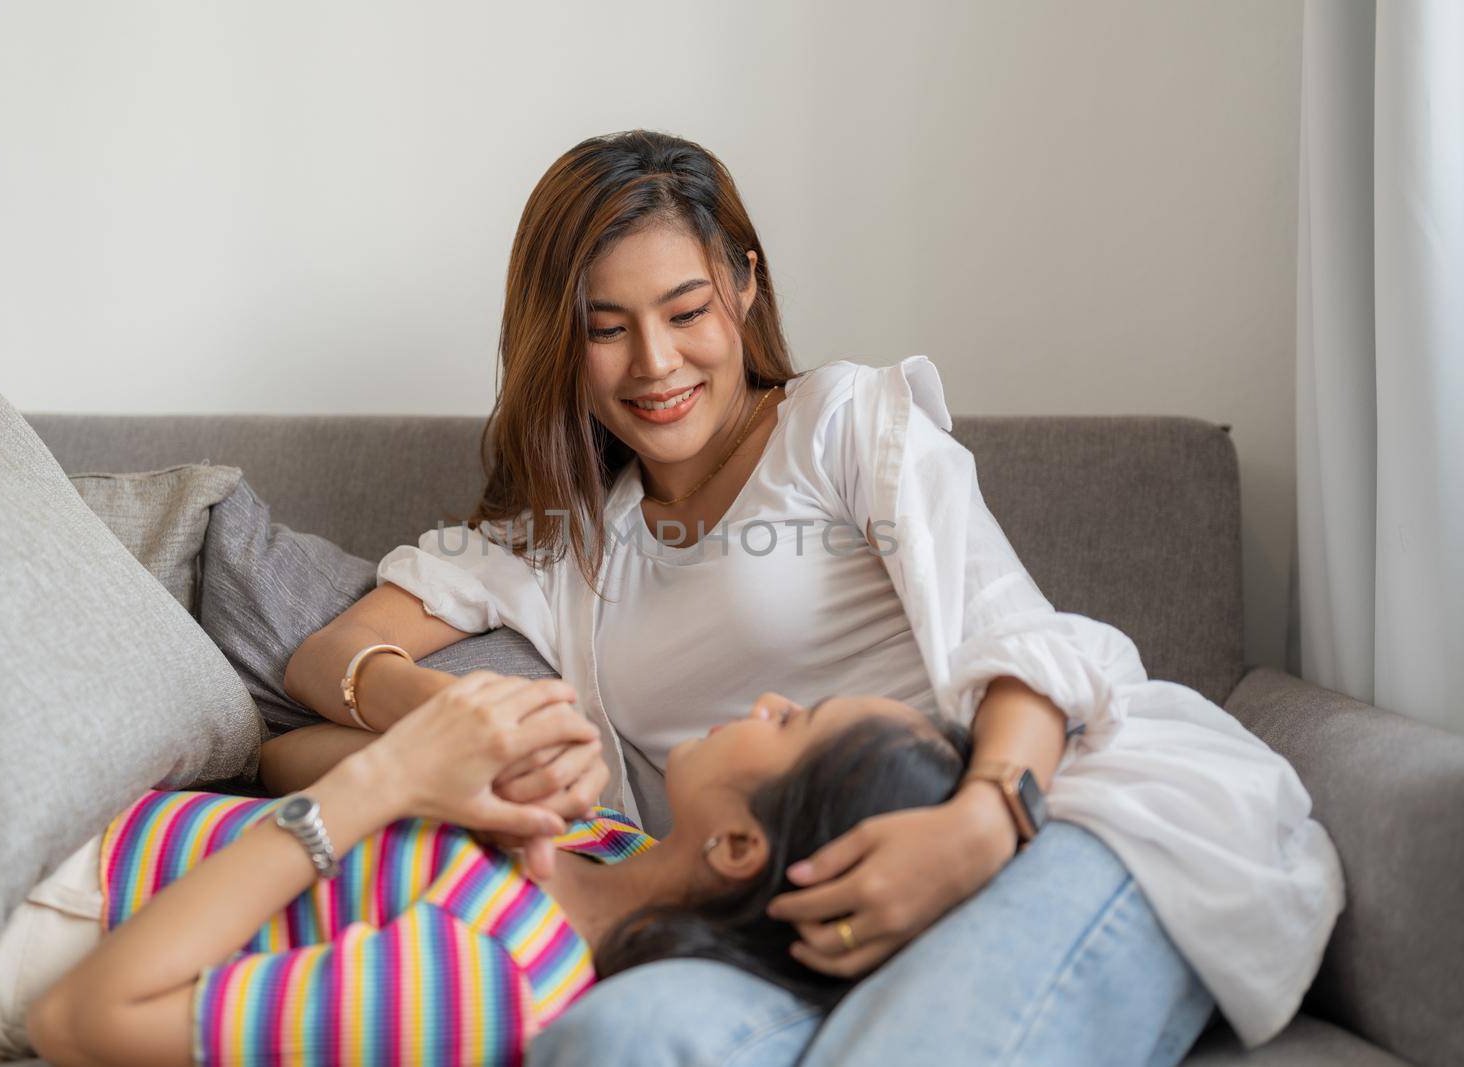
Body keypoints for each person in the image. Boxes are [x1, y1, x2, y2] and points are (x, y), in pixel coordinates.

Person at [276, 129, 1344, 1065]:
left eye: (686, 309)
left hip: (1057, 806)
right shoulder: (560, 538)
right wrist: (448, 723)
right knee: (612, 1040)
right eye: (606, 327)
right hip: (780, 911)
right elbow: (326, 658)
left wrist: (983, 820)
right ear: (561, 342)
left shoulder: (842, 425)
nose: (656, 363)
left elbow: (1014, 635)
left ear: (743, 284)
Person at [0, 671, 970, 1065]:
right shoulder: (603, 842)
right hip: (29, 817)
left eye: (798, 720)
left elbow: (83, 1020)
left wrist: (388, 781)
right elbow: (278, 758)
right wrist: (463, 762)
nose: (770, 698)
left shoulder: (500, 982)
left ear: (737, 845)